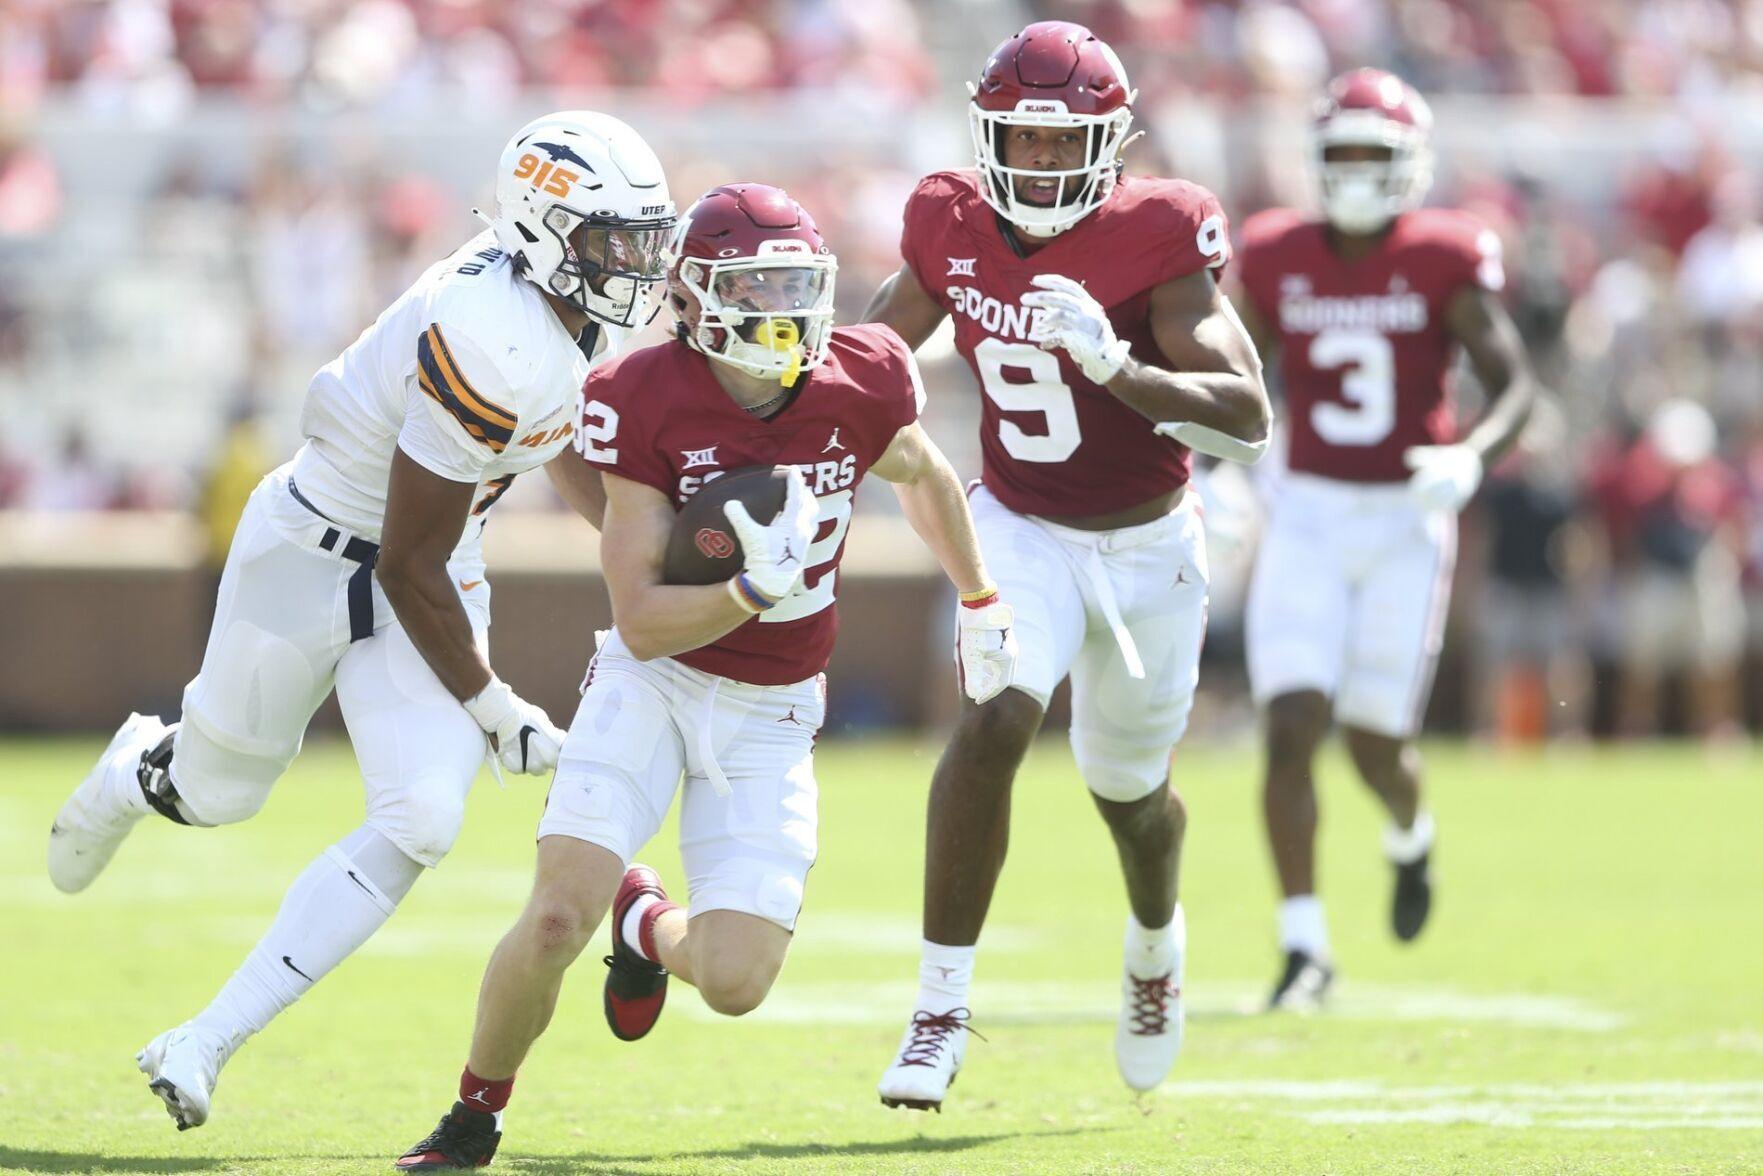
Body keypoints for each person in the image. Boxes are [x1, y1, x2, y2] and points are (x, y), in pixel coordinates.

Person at [45, 111, 677, 1129]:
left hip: (430, 562)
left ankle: (203, 1041)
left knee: (422, 817)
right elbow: (407, 557)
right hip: (314, 550)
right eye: (612, 239)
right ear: (547, 231)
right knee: (216, 795)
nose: (632, 262)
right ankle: (137, 771)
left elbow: (545, 429)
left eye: (639, 237)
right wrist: (492, 703)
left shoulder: (554, 308)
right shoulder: (485, 333)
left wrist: (633, 544)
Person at [392, 183, 1017, 1171]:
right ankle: (473, 1116)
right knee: (557, 912)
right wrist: (742, 593)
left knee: (734, 981)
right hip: (657, 684)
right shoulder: (645, 394)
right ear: (691, 298)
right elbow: (641, 623)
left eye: (793, 283)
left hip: (773, 711)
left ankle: (645, 924)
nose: (779, 308)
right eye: (753, 284)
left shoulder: (859, 381)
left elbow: (924, 473)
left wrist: (981, 598)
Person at [863, 21, 1270, 1109]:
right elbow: (877, 354)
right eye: (1020, 141)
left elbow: (1245, 413)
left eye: (1061, 144)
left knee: (1128, 792)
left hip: (1147, 547)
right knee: (996, 712)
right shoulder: (947, 217)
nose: (1038, 164)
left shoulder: (1160, 233)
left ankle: (1153, 942)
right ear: (984, 134)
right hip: (1018, 522)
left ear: (1110, 143)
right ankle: (938, 1007)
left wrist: (1119, 364)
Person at [1231, 69, 1538, 1009]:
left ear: (1412, 167)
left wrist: (1475, 456)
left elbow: (1517, 386)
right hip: (1310, 509)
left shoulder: (1444, 256)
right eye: (1343, 154)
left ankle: (1409, 833)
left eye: (1376, 154)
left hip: (1407, 517)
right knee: (1289, 725)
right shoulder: (1275, 253)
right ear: (1316, 163)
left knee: (1373, 745)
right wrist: (1210, 470)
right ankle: (1304, 946)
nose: (1358, 171)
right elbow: (1231, 371)